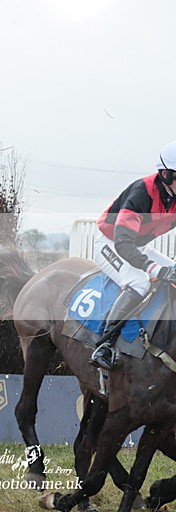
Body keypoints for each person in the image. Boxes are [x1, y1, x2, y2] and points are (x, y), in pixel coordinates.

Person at [90, 141, 176, 369]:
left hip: (135, 246)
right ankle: (104, 345)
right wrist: (155, 269)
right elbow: (123, 244)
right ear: (166, 175)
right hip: (111, 243)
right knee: (139, 281)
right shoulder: (142, 193)